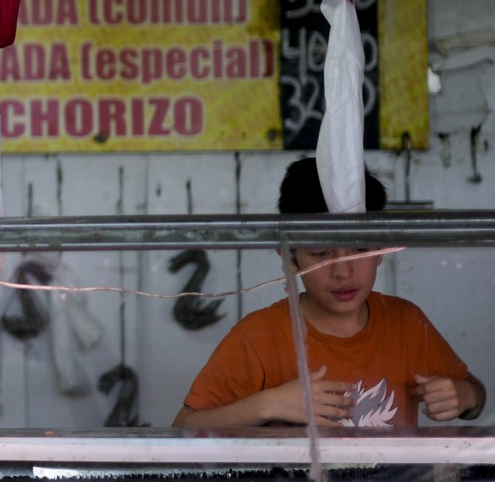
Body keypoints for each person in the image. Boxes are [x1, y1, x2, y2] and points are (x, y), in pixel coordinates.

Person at [172, 158, 485, 429]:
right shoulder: (257, 337)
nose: (342, 271)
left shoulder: (407, 322)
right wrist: (267, 405)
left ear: (380, 250)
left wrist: (465, 396)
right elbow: (184, 427)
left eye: (359, 249)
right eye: (320, 253)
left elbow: (476, 395)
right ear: (288, 257)